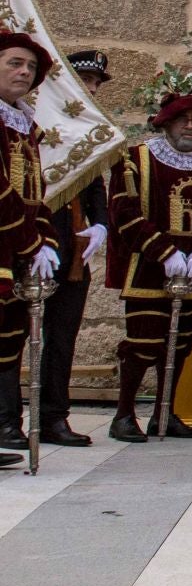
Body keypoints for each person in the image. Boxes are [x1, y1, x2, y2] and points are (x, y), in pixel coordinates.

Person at [105, 93, 192, 443]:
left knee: (180, 343)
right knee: (143, 342)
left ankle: (165, 412)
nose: (191, 126)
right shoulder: (136, 161)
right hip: (151, 269)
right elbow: (125, 212)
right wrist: (163, 252)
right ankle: (124, 414)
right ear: (166, 123)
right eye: (183, 120)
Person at [31, 50, 112, 449]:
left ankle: (53, 416)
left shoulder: (86, 129)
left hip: (74, 246)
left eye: (96, 84)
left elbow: (94, 181)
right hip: (33, 240)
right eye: (87, 83)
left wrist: (101, 224)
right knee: (14, 336)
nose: (93, 90)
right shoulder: (37, 120)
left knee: (62, 336)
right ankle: (7, 417)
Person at [0, 33, 58, 463]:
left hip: (14, 248)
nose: (24, 72)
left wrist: (47, 242)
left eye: (31, 68)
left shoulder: (25, 126)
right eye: (15, 63)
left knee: (9, 340)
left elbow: (37, 192)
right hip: (7, 242)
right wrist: (31, 240)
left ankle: (4, 422)